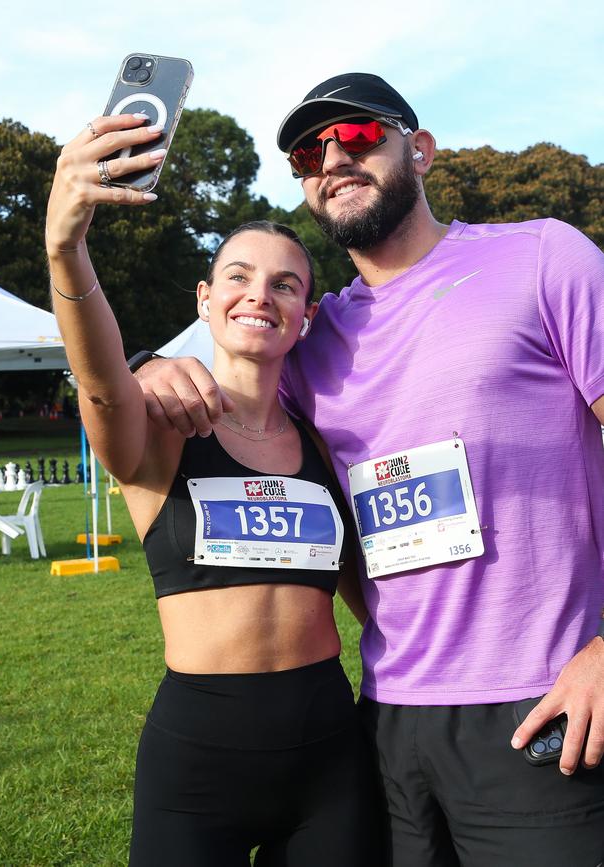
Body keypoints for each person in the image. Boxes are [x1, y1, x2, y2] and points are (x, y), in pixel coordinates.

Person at [134, 74, 604, 865]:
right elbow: (215, 390)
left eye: (354, 137)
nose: (332, 159)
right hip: (385, 725)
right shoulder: (311, 343)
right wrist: (150, 367)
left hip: (546, 706)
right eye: (309, 152)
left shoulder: (544, 257)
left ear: (419, 150)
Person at [45, 113, 380, 867]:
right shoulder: (158, 429)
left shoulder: (327, 443)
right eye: (238, 276)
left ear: (305, 316)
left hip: (329, 758)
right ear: (205, 299)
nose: (260, 294)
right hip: (196, 765)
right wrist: (68, 249)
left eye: (285, 284)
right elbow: (101, 386)